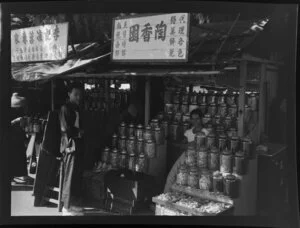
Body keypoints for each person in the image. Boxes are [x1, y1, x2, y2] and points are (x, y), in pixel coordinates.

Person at [59, 83, 85, 216]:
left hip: (77, 145)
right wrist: (78, 132)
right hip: (69, 146)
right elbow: (65, 128)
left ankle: (74, 204)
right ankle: (67, 207)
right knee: (69, 177)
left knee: (76, 177)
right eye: (76, 94)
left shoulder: (77, 108)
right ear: (69, 94)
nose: (78, 97)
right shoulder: (65, 108)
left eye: (80, 95)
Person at [10, 93, 32, 185]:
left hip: (19, 136)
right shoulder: (8, 112)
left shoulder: (21, 113)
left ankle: (20, 174)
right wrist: (16, 120)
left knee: (20, 155)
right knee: (12, 156)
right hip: (10, 137)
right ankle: (11, 176)